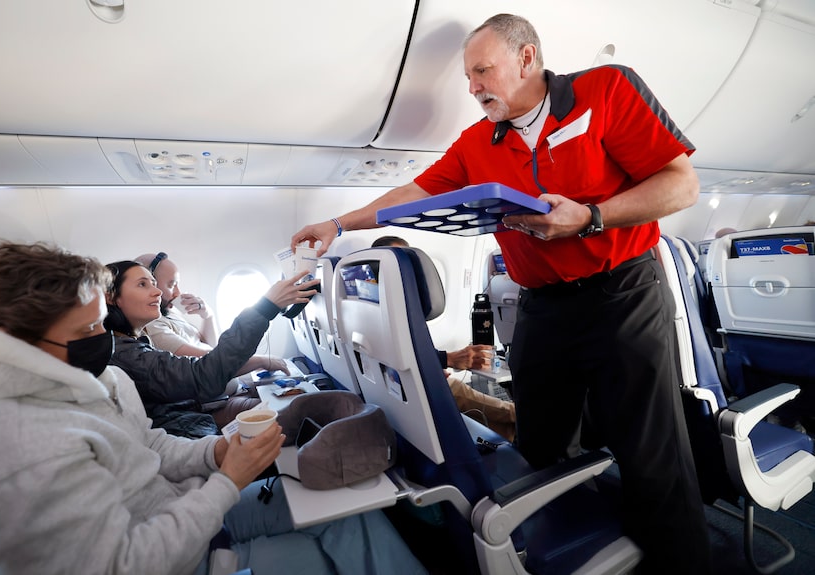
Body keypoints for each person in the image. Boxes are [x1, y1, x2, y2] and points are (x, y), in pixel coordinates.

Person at [293, 14, 710, 574]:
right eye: (469, 77)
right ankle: (570, 552)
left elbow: (682, 183)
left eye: (482, 71)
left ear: (527, 58)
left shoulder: (605, 89)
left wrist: (591, 217)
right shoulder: (476, 144)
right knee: (540, 445)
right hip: (542, 307)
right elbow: (412, 192)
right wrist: (338, 225)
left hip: (623, 294)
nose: (473, 88)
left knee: (652, 452)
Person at [0, 241, 427, 575]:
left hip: (184, 503)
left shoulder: (101, 376)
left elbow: (149, 443)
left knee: (351, 514)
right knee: (323, 552)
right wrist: (228, 481)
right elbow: (122, 565)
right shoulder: (27, 447)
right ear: (16, 339)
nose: (104, 335)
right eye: (88, 328)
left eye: (102, 321)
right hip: (183, 557)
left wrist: (215, 454)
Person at [104, 259, 319, 438]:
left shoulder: (136, 341)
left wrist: (208, 315)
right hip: (189, 423)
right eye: (143, 285)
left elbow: (210, 354)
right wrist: (265, 307)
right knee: (307, 409)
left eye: (154, 283)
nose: (158, 292)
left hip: (197, 411)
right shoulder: (126, 354)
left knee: (297, 399)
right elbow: (203, 374)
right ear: (111, 297)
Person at [371, 236, 516, 441]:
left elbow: (402, 350)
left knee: (475, 409)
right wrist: (445, 359)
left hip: (401, 382)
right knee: (454, 391)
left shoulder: (395, 303)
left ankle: (514, 438)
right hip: (399, 388)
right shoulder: (380, 307)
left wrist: (433, 365)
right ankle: (524, 418)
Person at [134, 252, 289, 374]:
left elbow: (213, 347)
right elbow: (209, 362)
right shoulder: (153, 327)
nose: (178, 292)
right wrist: (262, 361)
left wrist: (208, 315)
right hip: (214, 400)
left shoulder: (170, 313)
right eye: (171, 285)